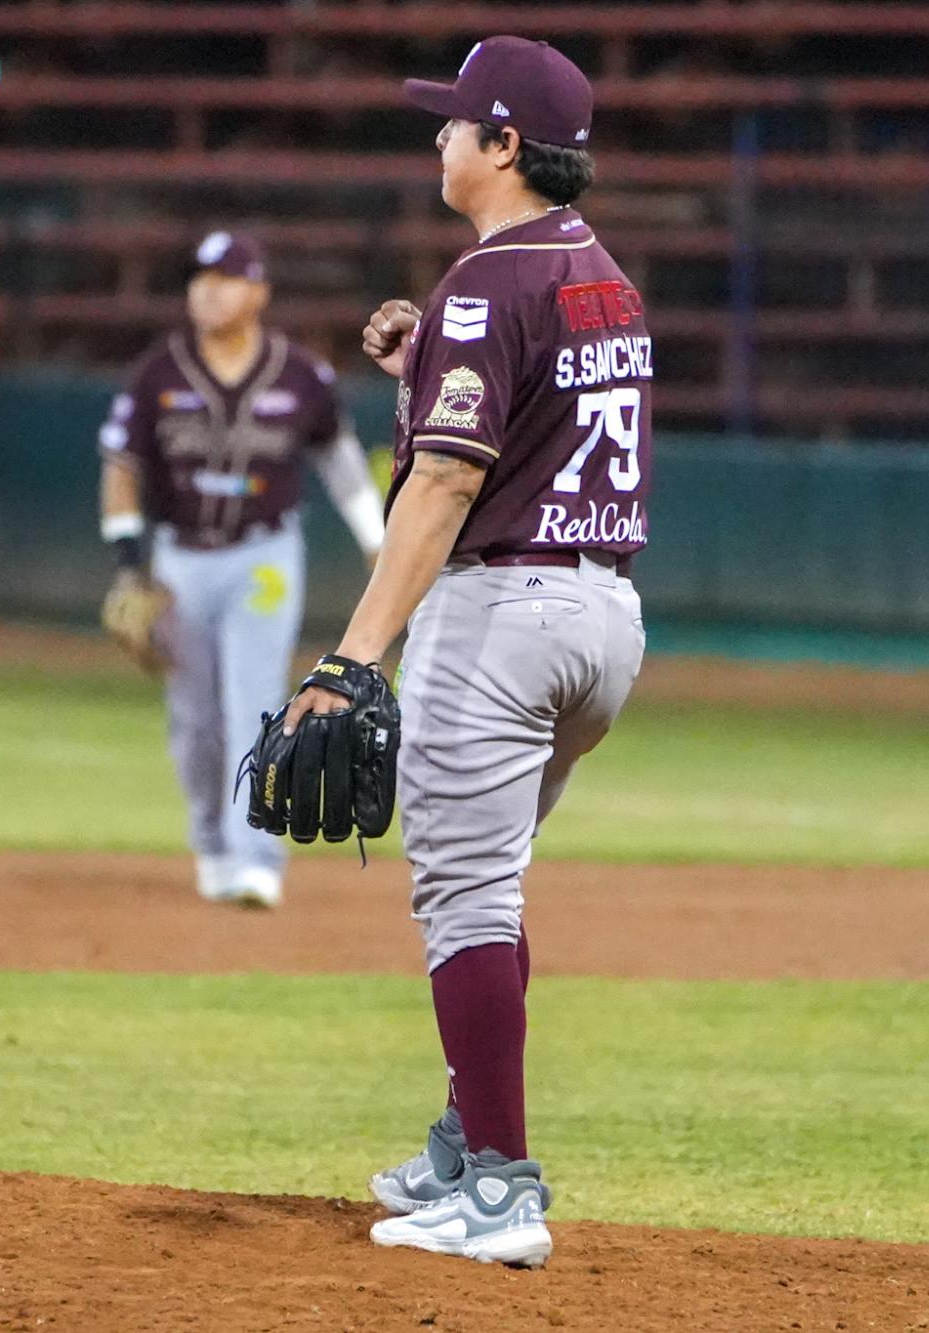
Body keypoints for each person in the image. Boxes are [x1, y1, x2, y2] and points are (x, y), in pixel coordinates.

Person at [277, 36, 652, 1266]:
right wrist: (420, 361)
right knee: (489, 888)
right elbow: (528, 420)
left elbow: (444, 481)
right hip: (602, 624)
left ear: (505, 146)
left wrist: (352, 656)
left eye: (455, 125)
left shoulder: (488, 283)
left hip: (503, 614)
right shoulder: (598, 273)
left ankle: (499, 1187)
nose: (437, 139)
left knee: (465, 897)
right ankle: (462, 1139)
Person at [98, 230, 384, 908]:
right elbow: (121, 471)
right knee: (196, 719)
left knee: (255, 702)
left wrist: (379, 542)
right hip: (179, 561)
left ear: (257, 292)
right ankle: (213, 842)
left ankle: (258, 855)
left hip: (264, 558)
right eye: (199, 278)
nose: (208, 290)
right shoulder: (157, 374)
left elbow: (340, 464)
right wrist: (128, 569)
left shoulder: (299, 374)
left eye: (225, 278)